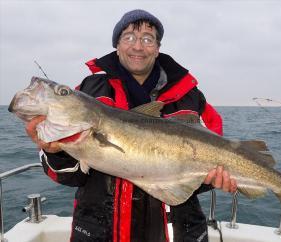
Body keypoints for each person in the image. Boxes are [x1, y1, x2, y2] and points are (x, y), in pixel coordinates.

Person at [25, 9, 237, 242]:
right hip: (101, 232)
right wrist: (55, 152)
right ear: (117, 45)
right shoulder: (89, 91)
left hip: (177, 231)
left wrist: (211, 179)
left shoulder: (190, 96)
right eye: (129, 37)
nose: (138, 46)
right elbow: (67, 177)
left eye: (148, 39)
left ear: (157, 49)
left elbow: (217, 152)